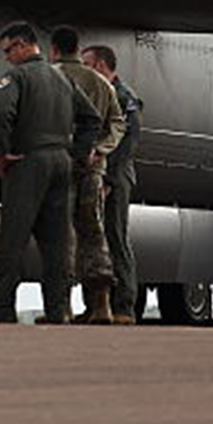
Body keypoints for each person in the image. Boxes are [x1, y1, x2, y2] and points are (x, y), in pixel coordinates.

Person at [0, 22, 101, 323]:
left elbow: (0, 115)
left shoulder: (16, 77)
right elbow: (92, 119)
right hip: (60, 163)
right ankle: (57, 311)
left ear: (23, 45)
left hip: (27, 162)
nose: (7, 57)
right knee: (57, 245)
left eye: (8, 50)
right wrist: (76, 155)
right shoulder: (62, 78)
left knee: (12, 240)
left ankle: (2, 310)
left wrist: (0, 153)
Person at [50, 26, 124, 325]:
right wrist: (100, 149)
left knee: (61, 235)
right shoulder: (102, 84)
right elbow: (118, 123)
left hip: (59, 166)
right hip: (93, 168)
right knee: (94, 231)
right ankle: (102, 304)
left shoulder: (49, 77)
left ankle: (63, 307)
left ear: (54, 49)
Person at [84, 43, 144, 324]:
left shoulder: (124, 97)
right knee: (93, 241)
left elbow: (127, 144)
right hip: (96, 176)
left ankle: (124, 307)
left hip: (115, 178)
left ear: (100, 65)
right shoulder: (96, 95)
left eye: (87, 65)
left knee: (115, 238)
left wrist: (109, 180)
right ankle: (95, 305)